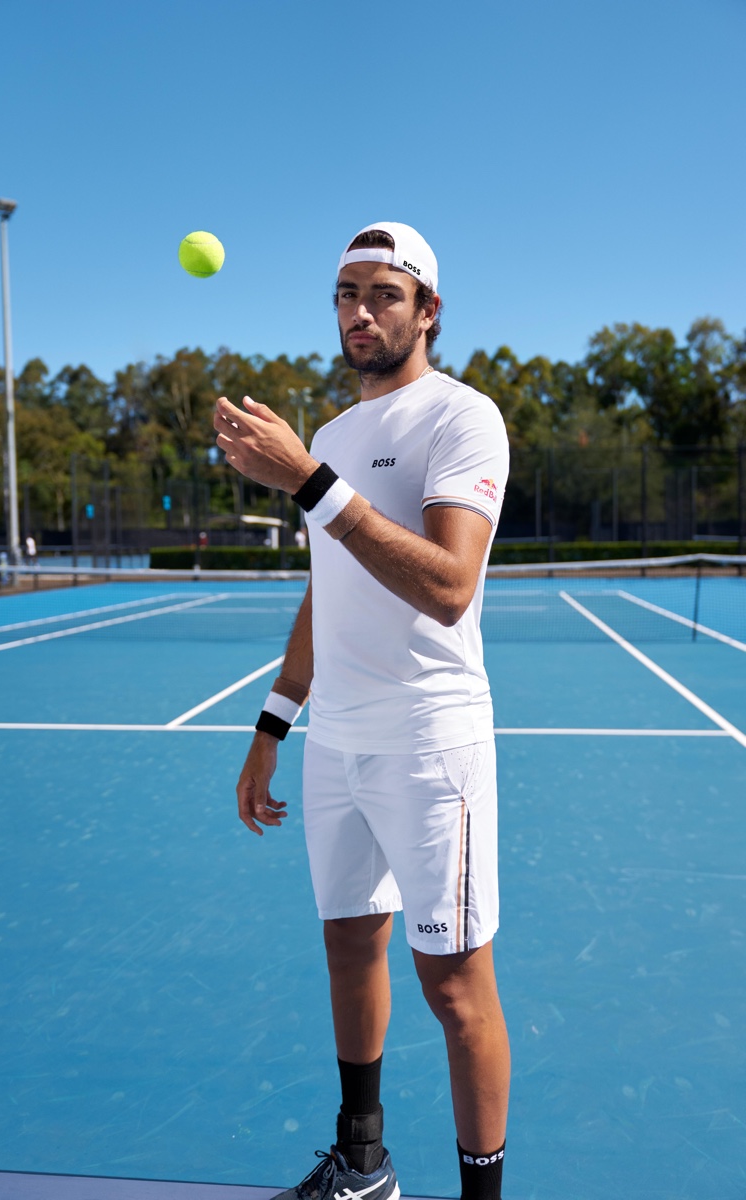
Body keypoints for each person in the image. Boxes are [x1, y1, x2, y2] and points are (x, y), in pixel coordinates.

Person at [214, 222, 510, 1200]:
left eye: (382, 294)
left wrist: (304, 478)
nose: (358, 312)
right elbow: (326, 587)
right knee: (349, 944)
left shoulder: (461, 419)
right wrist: (272, 720)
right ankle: (364, 1163)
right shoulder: (333, 439)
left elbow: (448, 585)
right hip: (333, 738)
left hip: (431, 737)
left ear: (426, 310)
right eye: (345, 293)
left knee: (456, 990)